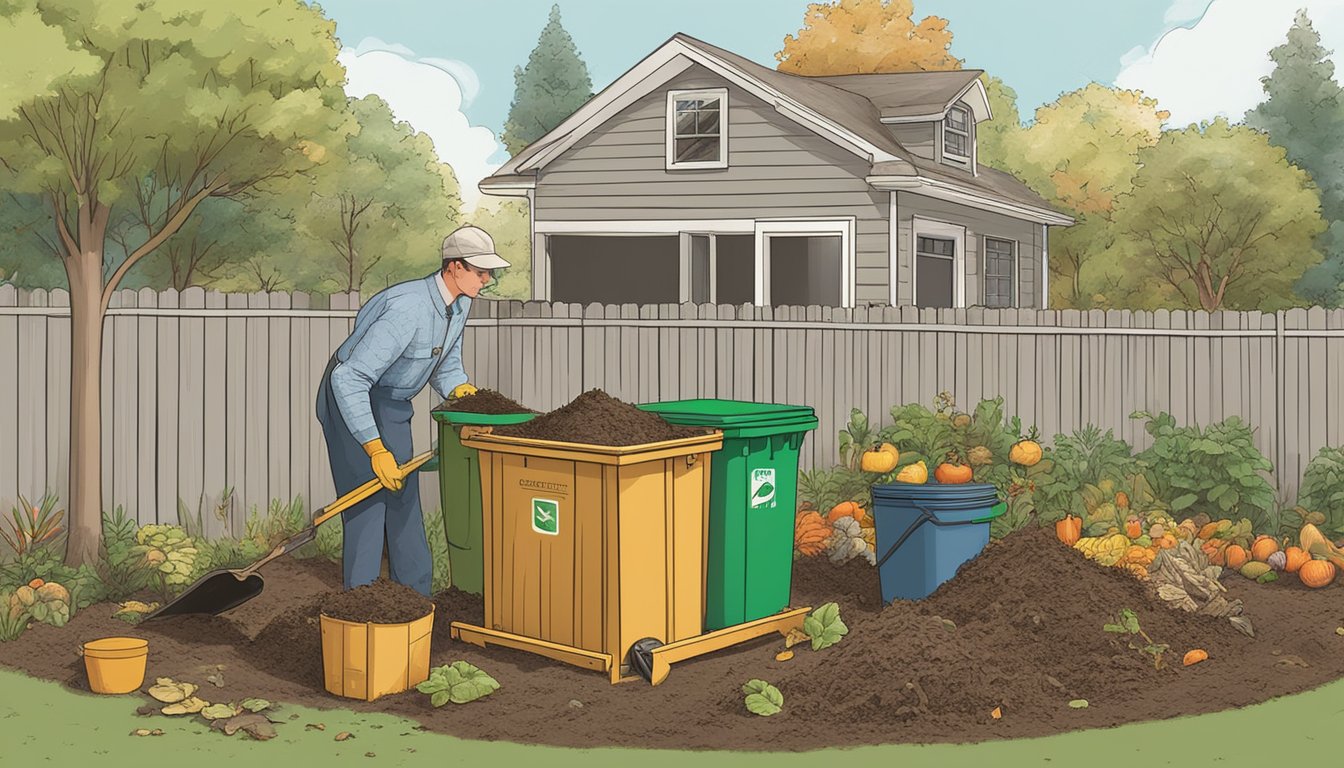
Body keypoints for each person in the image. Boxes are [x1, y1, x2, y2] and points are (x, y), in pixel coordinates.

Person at [315, 226, 509, 596]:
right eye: (481, 271)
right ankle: (361, 601)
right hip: (351, 396)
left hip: (392, 401)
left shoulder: (460, 304)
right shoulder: (407, 309)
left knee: (403, 494)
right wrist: (375, 449)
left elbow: (446, 362)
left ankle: (415, 598)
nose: (488, 279)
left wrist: (458, 388)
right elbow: (348, 378)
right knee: (367, 500)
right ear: (454, 267)